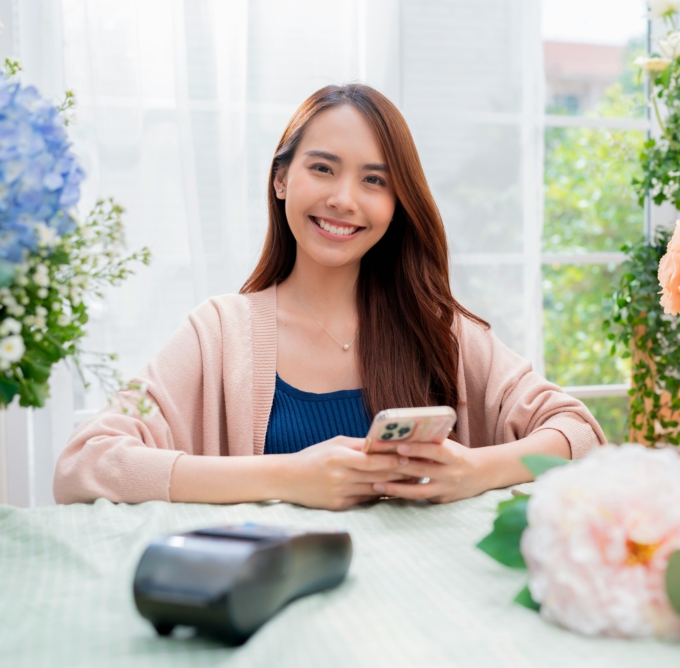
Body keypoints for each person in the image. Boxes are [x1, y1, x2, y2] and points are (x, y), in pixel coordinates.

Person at [53, 84, 605, 510]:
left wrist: (473, 471)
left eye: (374, 180)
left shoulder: (437, 329)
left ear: (398, 203)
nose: (344, 200)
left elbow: (579, 432)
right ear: (281, 180)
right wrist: (290, 476)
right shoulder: (219, 332)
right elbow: (84, 464)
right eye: (322, 168)